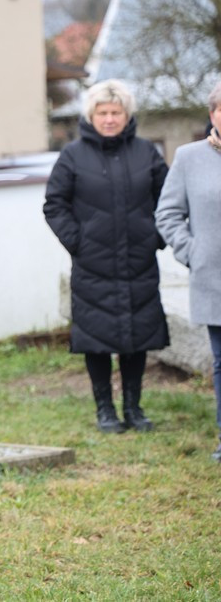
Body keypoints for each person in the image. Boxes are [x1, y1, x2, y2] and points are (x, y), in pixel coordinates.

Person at [44, 79, 170, 434]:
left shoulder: (146, 153)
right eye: (103, 112)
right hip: (92, 266)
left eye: (116, 112)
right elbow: (54, 205)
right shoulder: (73, 155)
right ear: (91, 115)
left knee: (137, 337)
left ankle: (133, 408)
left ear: (127, 115)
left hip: (139, 263)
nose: (110, 119)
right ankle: (105, 410)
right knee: (96, 340)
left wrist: (155, 238)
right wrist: (78, 242)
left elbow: (169, 199)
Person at [155, 80, 221, 461]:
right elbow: (167, 213)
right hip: (214, 279)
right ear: (212, 114)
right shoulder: (189, 157)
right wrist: (193, 252)